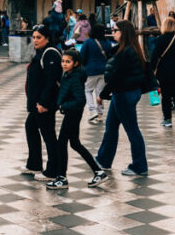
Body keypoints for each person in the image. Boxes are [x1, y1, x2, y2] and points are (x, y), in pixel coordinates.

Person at [94, 20, 149, 178]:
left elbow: (116, 76)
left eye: (116, 30)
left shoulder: (126, 52)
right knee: (110, 126)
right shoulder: (129, 49)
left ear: (123, 32)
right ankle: (103, 159)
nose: (113, 32)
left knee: (132, 130)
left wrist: (103, 94)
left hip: (124, 94)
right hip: (125, 93)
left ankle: (139, 165)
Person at [46, 48, 103, 190]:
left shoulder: (75, 78)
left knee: (62, 144)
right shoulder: (69, 75)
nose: (64, 64)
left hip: (73, 114)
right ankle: (98, 171)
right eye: (63, 61)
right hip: (72, 113)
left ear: (76, 63)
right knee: (75, 144)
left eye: (68, 62)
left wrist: (63, 106)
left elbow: (80, 100)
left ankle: (62, 178)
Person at [21, 27, 61, 181]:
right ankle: (34, 164)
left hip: (44, 104)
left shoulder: (50, 53)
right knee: (30, 127)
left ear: (47, 38)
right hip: (36, 103)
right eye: (34, 37)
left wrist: (43, 102)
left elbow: (51, 80)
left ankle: (53, 171)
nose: (35, 40)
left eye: (39, 37)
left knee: (49, 135)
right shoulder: (41, 53)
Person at [151, 16, 175, 128]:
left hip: (165, 73)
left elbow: (155, 56)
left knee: (166, 96)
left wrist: (151, 70)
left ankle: (167, 119)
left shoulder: (160, 39)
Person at [79, 24, 112, 122]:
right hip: (104, 71)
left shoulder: (88, 42)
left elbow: (82, 56)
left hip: (90, 71)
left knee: (87, 90)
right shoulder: (107, 43)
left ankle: (92, 111)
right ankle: (100, 113)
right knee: (100, 92)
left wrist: (83, 67)